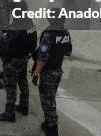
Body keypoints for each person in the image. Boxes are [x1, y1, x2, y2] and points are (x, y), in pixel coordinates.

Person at [31, 8, 72, 136]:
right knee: (50, 98)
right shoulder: (65, 32)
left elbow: (42, 58)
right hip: (58, 70)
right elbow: (68, 52)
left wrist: (36, 74)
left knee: (47, 101)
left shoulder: (49, 34)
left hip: (48, 73)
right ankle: (48, 123)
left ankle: (52, 128)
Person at [0, 0, 37, 123]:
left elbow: (1, 41)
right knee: (23, 81)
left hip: (14, 60)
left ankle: (9, 113)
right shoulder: (29, 22)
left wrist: (0, 31)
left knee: (10, 86)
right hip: (24, 58)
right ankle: (24, 106)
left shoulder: (15, 27)